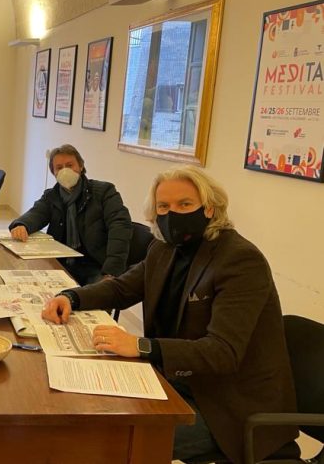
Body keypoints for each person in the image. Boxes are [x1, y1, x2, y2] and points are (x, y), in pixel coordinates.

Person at [42, 166, 298, 463]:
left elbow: (222, 352)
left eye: (185, 204)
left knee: (107, 442)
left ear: (210, 208)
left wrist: (141, 346)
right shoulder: (165, 248)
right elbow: (122, 289)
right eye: (163, 206)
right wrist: (71, 297)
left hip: (227, 406)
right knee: (86, 410)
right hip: (176, 379)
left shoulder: (240, 259)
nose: (172, 214)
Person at [9, 144, 132, 285]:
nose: (65, 171)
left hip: (96, 265)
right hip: (62, 261)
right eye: (59, 167)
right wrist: (22, 225)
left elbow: (120, 227)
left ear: (81, 166)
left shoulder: (104, 192)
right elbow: (37, 213)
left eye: (69, 165)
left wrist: (111, 271)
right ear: (53, 172)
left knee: (96, 295)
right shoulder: (52, 195)